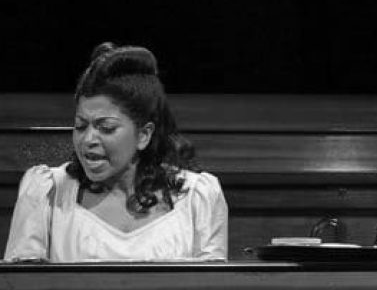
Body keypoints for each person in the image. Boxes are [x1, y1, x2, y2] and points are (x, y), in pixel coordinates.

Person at [4, 42, 228, 262]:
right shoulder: (47, 193)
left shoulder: (198, 198)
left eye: (106, 128)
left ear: (143, 135)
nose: (88, 139)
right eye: (81, 126)